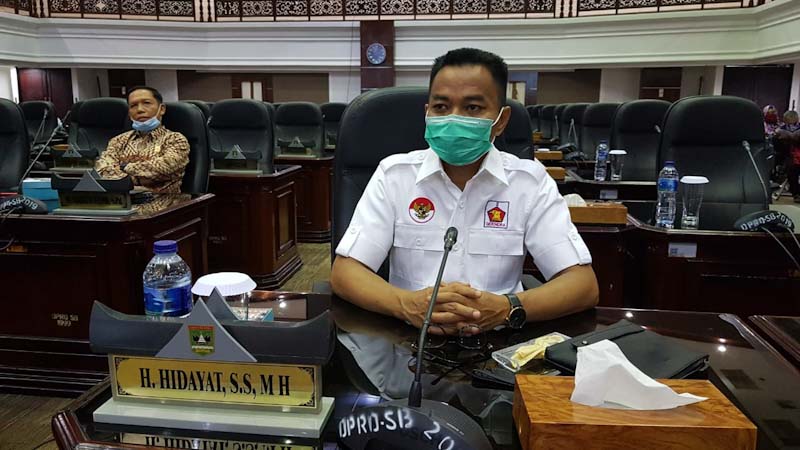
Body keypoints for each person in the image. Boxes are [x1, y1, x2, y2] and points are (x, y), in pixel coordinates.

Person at [330, 48, 599, 335]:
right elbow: (346, 272)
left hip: (501, 342)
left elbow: (582, 285)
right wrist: (405, 304)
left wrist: (506, 308)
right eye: (441, 107)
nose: (453, 119)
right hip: (407, 340)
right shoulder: (395, 175)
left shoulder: (529, 182)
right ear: (427, 113)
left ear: (501, 120)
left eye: (472, 108)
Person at [95, 87, 189, 193]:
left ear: (162, 109)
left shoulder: (175, 139)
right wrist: (138, 181)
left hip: (162, 200)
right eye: (133, 105)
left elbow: (166, 167)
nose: (140, 109)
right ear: (129, 113)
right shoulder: (118, 141)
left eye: (146, 103)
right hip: (124, 199)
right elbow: (103, 168)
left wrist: (123, 168)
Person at [776, 110, 800, 202]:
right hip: (789, 156)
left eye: (793, 118)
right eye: (789, 118)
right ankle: (796, 194)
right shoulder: (780, 129)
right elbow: (778, 147)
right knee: (792, 170)